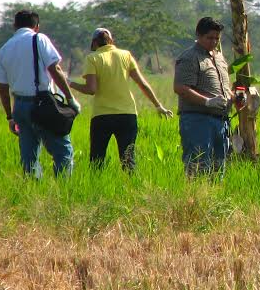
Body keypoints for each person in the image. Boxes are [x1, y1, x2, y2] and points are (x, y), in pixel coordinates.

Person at [69, 27, 173, 170]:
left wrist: (71, 83)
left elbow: (91, 90)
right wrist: (158, 105)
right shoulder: (126, 55)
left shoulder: (92, 58)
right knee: (128, 160)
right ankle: (132, 189)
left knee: (97, 161)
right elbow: (142, 83)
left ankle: (96, 189)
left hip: (102, 116)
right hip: (127, 114)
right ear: (111, 40)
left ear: (94, 43)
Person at [0, 10, 80, 177]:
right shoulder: (39, 39)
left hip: (19, 107)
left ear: (14, 26)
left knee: (29, 158)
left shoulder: (4, 49)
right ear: (36, 26)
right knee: (63, 152)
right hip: (42, 105)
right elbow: (54, 69)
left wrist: (9, 117)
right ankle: (63, 195)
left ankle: (34, 195)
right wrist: (70, 98)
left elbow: (3, 88)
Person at [173, 17, 232, 176]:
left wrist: (236, 99)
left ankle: (213, 199)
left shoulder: (219, 57)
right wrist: (207, 101)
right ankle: (195, 199)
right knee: (198, 165)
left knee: (218, 166)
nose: (213, 42)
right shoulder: (190, 57)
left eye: (217, 38)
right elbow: (180, 87)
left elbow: (225, 89)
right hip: (197, 120)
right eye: (209, 38)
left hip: (220, 121)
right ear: (199, 35)